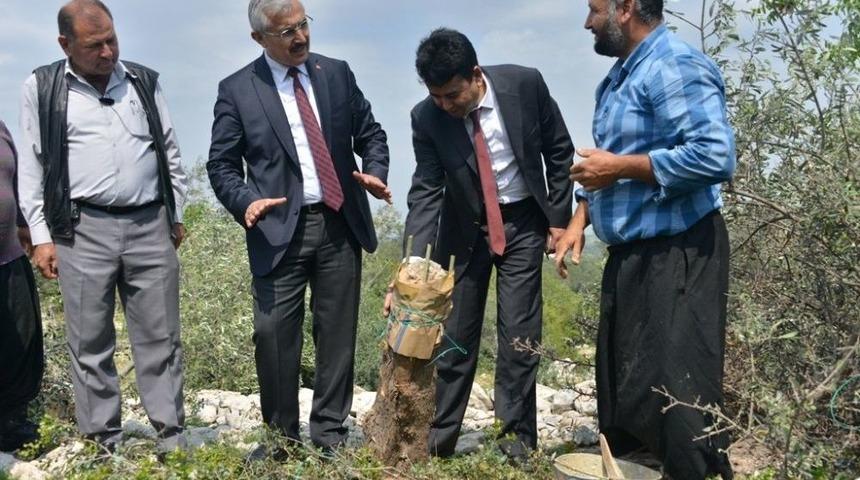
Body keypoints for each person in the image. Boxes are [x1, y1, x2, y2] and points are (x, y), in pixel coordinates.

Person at [554, 0, 736, 478]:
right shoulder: (618, 79)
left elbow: (714, 156)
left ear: (627, 8)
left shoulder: (674, 65)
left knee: (680, 399)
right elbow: (612, 162)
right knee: (627, 394)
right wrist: (580, 216)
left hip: (680, 251)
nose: (588, 22)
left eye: (595, 10)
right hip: (632, 257)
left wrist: (619, 168)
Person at [207, 0, 391, 456]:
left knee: (337, 335)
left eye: (303, 25)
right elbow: (221, 165)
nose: (301, 37)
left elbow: (371, 133)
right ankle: (281, 440)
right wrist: (245, 201)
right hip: (276, 231)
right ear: (259, 38)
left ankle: (329, 435)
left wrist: (375, 170)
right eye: (286, 31)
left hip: (339, 224)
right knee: (272, 335)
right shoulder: (237, 90)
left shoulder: (336, 73)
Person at [17, 0, 188, 454]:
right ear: (65, 44)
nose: (108, 52)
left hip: (149, 222)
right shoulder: (42, 86)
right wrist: (41, 238)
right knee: (90, 342)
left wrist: (177, 214)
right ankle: (102, 443)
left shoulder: (143, 81)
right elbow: (32, 167)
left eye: (112, 39)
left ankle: (172, 438)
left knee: (161, 337)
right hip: (81, 229)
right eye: (95, 45)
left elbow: (170, 150)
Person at [396, 27, 574, 462]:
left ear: (476, 75)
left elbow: (558, 151)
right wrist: (415, 263)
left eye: (452, 95)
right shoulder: (427, 118)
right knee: (454, 340)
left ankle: (516, 448)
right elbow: (426, 189)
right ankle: (436, 447)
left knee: (519, 338)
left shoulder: (525, 84)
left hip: (523, 225)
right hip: (462, 233)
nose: (445, 105)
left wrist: (558, 220)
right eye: (436, 96)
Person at [0, 121, 43, 453]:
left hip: (9, 256)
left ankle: (12, 425)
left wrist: (25, 225)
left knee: (24, 343)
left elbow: (13, 181)